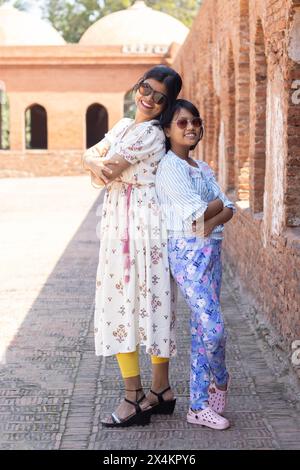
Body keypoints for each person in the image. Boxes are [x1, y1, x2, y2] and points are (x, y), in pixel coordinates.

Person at [82, 66, 182, 428]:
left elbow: (105, 169)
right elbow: (93, 156)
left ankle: (137, 397)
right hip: (120, 225)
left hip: (142, 229)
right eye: (146, 88)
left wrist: (96, 164)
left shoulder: (152, 135)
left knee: (143, 303)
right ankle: (159, 392)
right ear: (137, 85)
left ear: (166, 105)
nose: (149, 99)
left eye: (160, 97)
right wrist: (94, 161)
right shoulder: (124, 125)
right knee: (124, 301)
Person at [156, 99, 235, 430]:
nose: (191, 128)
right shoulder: (170, 168)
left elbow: (229, 208)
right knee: (214, 329)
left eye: (195, 122)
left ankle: (199, 405)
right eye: (182, 123)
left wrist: (211, 215)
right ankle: (221, 377)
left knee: (202, 329)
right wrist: (213, 211)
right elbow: (197, 216)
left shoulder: (202, 168)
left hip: (212, 250)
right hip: (186, 254)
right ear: (167, 130)